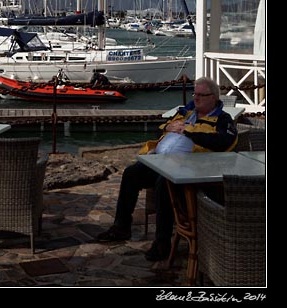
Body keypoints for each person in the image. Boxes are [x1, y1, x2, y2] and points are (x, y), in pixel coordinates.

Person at [96, 76, 238, 261]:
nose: (196, 98)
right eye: (195, 94)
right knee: (131, 173)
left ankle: (162, 242)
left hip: (190, 168)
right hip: (160, 161)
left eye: (201, 95)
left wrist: (189, 131)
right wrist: (169, 126)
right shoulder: (185, 112)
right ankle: (121, 227)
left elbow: (224, 142)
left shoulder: (222, 119)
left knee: (164, 183)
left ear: (214, 97)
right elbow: (160, 129)